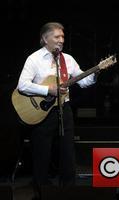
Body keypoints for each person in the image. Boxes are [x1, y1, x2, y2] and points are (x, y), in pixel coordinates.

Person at [16, 22, 98, 195]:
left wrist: (95, 73)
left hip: (64, 109)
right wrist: (48, 90)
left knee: (68, 153)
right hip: (42, 111)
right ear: (45, 39)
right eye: (57, 37)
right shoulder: (34, 59)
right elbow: (22, 85)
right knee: (42, 154)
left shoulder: (67, 59)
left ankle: (68, 191)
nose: (61, 40)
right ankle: (42, 192)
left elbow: (83, 82)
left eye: (63, 37)